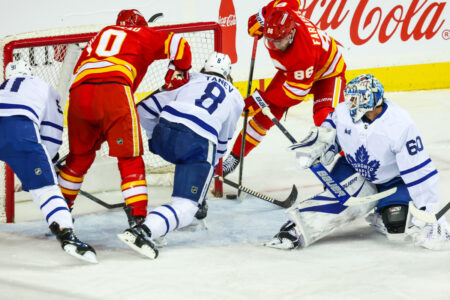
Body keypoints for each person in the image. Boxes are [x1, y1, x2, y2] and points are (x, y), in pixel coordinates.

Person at [264, 74, 450, 251]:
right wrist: (315, 149)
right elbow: (328, 134)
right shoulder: (344, 112)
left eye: (355, 100)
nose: (349, 104)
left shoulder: (400, 124)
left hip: (392, 181)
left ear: (370, 101)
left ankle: (381, 210)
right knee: (340, 202)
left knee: (397, 226)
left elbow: (418, 170)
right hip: (353, 170)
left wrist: (429, 209)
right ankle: (294, 229)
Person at [57, 9, 192, 226]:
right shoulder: (142, 33)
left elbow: (88, 76)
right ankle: (138, 220)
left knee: (79, 158)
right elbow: (181, 44)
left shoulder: (100, 35)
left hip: (80, 95)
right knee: (130, 158)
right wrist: (178, 70)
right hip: (114, 91)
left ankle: (58, 214)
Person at [117, 52, 244, 259]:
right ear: (229, 74)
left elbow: (143, 109)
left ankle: (154, 226)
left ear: (205, 67)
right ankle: (143, 231)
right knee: (186, 208)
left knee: (185, 168)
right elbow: (222, 140)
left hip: (165, 136)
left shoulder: (190, 79)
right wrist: (208, 171)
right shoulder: (236, 97)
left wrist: (153, 138)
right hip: (198, 144)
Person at [222, 0, 346, 176]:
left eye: (279, 42)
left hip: (328, 73)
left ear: (291, 33)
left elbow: (296, 94)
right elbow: (290, 2)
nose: (275, 46)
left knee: (326, 121)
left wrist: (263, 98)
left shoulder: (303, 53)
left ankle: (353, 162)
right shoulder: (278, 15)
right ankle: (234, 157)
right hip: (294, 72)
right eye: (270, 40)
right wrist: (260, 16)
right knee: (263, 115)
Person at [0, 61, 97, 263]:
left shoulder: (4, 88)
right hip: (21, 132)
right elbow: (52, 133)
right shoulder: (42, 86)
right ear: (30, 71)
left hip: (11, 128)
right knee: (46, 190)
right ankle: (66, 233)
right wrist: (48, 163)